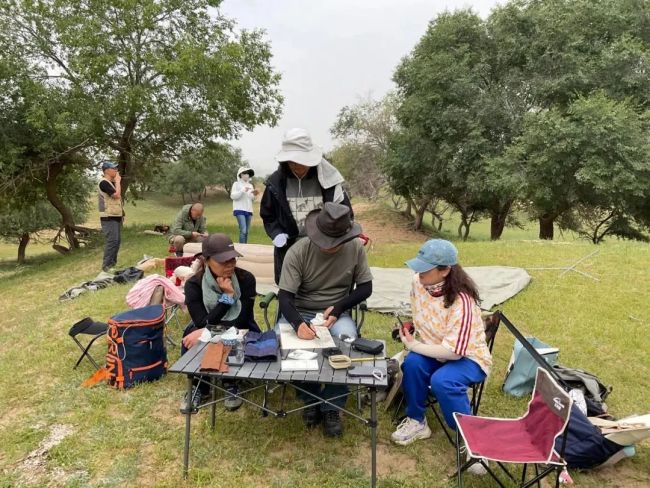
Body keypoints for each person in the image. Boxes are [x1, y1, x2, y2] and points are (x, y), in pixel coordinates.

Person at [277, 202, 373, 437]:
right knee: (288, 344)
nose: (330, 246)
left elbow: (365, 288)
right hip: (301, 310)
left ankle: (332, 405)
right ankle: (309, 398)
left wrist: (339, 308)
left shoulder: (356, 249)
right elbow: (285, 297)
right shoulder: (298, 251)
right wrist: (299, 324)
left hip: (336, 313)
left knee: (346, 341)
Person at [391, 239, 492, 450]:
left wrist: (413, 346)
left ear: (445, 270)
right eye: (418, 267)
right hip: (432, 348)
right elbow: (420, 312)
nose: (419, 274)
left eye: (425, 270)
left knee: (443, 381)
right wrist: (410, 327)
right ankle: (417, 421)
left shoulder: (462, 302)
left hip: (467, 357)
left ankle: (472, 440)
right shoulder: (418, 282)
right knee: (412, 365)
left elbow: (453, 353)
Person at [180, 233, 260, 414]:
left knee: (224, 338)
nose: (230, 265)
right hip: (207, 326)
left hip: (241, 328)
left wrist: (206, 332)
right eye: (224, 261)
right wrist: (227, 298)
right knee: (190, 338)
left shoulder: (246, 279)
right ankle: (200, 385)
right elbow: (201, 321)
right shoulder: (194, 284)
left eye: (233, 259)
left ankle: (230, 382)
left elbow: (241, 320)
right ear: (206, 260)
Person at [260, 128, 353, 284]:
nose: (296, 166)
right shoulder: (276, 183)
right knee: (292, 288)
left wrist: (339, 236)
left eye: (301, 162)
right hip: (291, 247)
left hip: (325, 246)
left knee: (323, 286)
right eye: (291, 162)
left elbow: (345, 213)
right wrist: (276, 233)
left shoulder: (329, 180)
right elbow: (268, 214)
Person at [97, 160, 124, 272]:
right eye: (114, 169)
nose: (116, 170)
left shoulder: (110, 183)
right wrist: (118, 181)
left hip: (115, 216)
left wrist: (116, 181)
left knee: (116, 241)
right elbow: (116, 195)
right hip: (108, 217)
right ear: (107, 170)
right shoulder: (103, 183)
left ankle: (112, 265)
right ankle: (106, 267)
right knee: (112, 241)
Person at [230, 167, 258, 243]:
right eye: (245, 173)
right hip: (239, 209)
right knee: (243, 230)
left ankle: (245, 247)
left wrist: (254, 194)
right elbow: (233, 196)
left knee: (247, 231)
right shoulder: (236, 184)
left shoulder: (250, 185)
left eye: (248, 174)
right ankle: (241, 248)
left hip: (248, 210)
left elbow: (251, 198)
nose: (247, 175)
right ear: (240, 175)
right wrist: (242, 191)